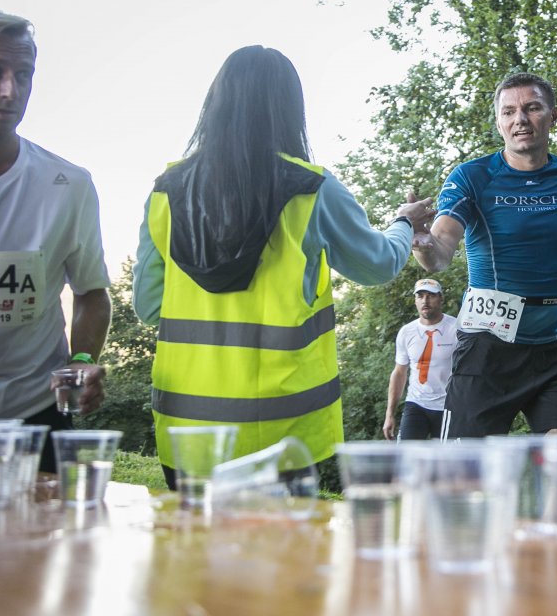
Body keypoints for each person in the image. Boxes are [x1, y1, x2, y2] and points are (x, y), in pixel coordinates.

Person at [132, 45, 435, 490]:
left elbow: (148, 306)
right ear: (289, 110)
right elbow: (379, 263)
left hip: (186, 429)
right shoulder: (311, 188)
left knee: (192, 555)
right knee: (286, 558)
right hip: (284, 430)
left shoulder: (165, 192)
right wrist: (403, 223)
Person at [0, 6, 111, 472]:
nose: (10, 90)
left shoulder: (68, 184)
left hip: (35, 420)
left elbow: (93, 293)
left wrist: (81, 360)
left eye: (24, 74)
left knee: (38, 546)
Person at [412, 72, 557, 444]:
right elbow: (441, 249)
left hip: (551, 349)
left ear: (552, 116)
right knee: (464, 476)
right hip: (487, 350)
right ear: (499, 122)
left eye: (531, 108)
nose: (519, 119)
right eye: (508, 112)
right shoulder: (472, 176)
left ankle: (539, 503)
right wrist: (424, 243)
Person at [383, 278, 457, 440]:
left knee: (446, 461)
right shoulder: (407, 332)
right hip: (416, 404)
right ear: (415, 301)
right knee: (407, 457)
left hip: (448, 406)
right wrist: (390, 414)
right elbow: (399, 372)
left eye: (431, 295)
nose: (425, 301)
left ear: (441, 298)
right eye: (420, 296)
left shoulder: (456, 329)